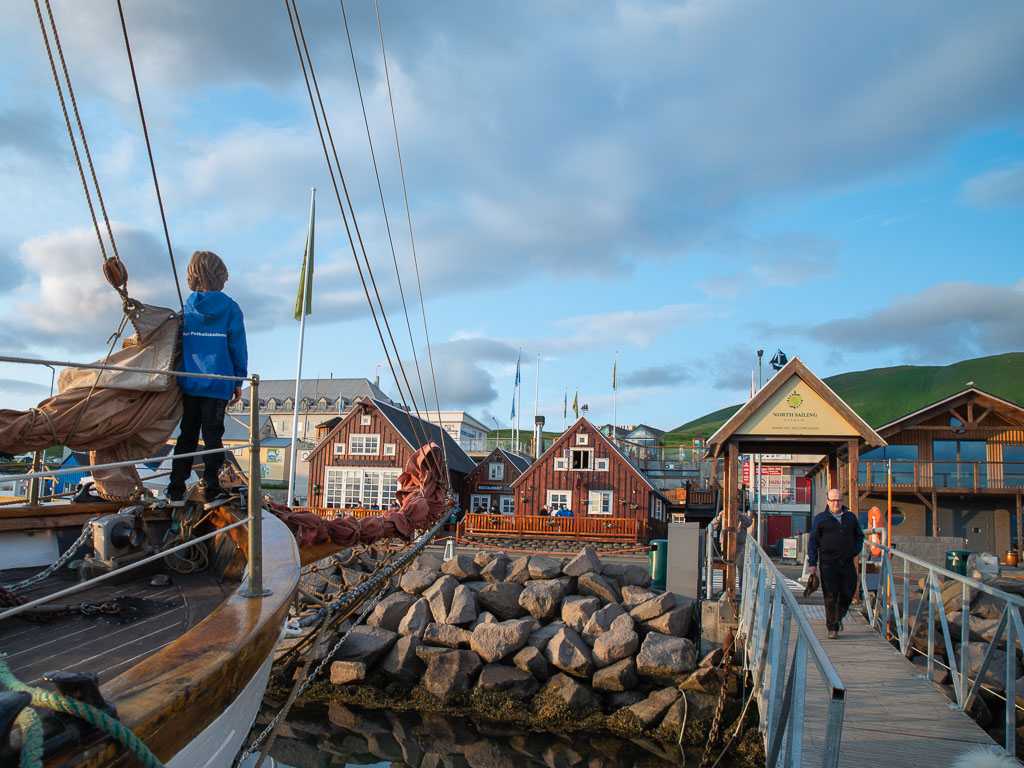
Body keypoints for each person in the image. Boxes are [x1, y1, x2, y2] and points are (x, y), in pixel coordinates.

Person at [166, 251, 247, 511]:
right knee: (213, 437)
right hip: (218, 381)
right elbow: (237, 346)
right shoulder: (231, 308)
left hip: (190, 381)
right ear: (220, 275)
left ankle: (175, 490)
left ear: (193, 276)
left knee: (186, 436)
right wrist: (239, 379)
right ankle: (212, 490)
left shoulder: (186, 308)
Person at [807, 488, 865, 640]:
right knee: (830, 595)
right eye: (833, 500)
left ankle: (838, 616)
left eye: (838, 500)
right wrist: (812, 563)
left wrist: (854, 550)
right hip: (828, 562)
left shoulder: (850, 517)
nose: (836, 503)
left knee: (849, 592)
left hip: (847, 561)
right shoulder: (820, 519)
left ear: (842, 501)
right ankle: (832, 628)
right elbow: (813, 541)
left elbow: (860, 536)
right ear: (828, 501)